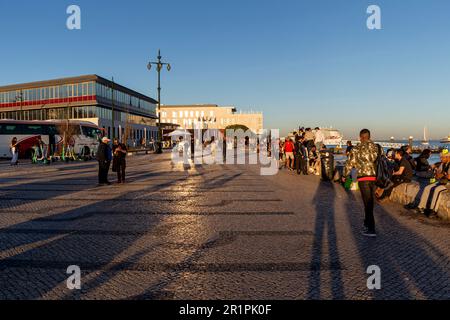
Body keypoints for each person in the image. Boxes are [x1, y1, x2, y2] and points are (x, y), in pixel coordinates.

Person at [343, 129, 380, 237]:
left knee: (367, 203)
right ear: (369, 136)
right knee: (370, 202)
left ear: (360, 137)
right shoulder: (376, 147)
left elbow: (350, 163)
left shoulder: (357, 148)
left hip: (363, 178)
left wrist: (345, 175)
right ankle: (366, 223)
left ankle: (371, 229)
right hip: (374, 177)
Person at [409, 150, 450, 216]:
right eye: (441, 157)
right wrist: (439, 173)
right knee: (427, 188)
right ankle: (421, 207)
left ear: (448, 157)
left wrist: (442, 174)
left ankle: (433, 210)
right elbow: (437, 175)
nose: (441, 159)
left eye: (443, 157)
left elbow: (449, 177)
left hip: (447, 184)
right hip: (441, 181)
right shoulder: (442, 164)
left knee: (436, 191)